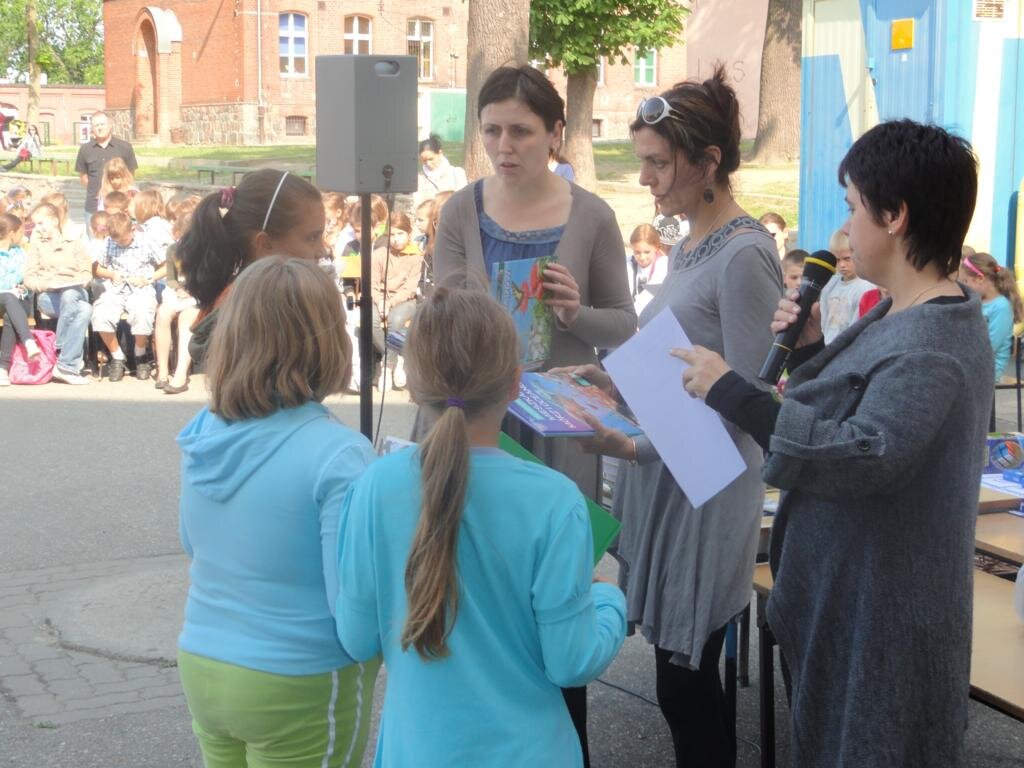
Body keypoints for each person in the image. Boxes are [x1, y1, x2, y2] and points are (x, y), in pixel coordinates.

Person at [676, 119, 990, 767]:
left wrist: (732, 392)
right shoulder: (898, 311)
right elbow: (847, 409)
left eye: (853, 208)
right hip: (849, 606)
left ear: (895, 216)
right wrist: (810, 346)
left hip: (884, 621)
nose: (844, 230)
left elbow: (862, 454)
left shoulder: (935, 342)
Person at [564, 66, 783, 767]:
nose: (646, 179)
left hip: (707, 488)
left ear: (708, 162)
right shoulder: (691, 242)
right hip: (674, 476)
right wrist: (614, 381)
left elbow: (746, 402)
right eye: (644, 161)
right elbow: (684, 364)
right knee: (681, 683)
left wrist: (633, 448)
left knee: (684, 684)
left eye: (659, 163)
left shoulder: (745, 254)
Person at [431, 67, 636, 762]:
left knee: (557, 598)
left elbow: (626, 325)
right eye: (491, 130)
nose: (503, 145)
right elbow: (442, 315)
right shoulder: (461, 210)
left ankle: (564, 747)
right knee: (479, 595)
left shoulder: (592, 215)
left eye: (520, 131)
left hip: (562, 435)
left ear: (555, 133)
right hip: (477, 427)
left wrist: (578, 313)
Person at [335, 286, 626, 768]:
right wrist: (609, 599)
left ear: (413, 385)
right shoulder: (555, 502)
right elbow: (572, 662)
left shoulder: (373, 487)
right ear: (515, 384)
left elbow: (357, 638)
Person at [177, 256, 378, 768]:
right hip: (299, 677)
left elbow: (191, 542)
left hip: (203, 659)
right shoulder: (339, 453)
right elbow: (352, 612)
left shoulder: (204, 430)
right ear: (328, 340)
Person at [176, 170, 326, 368]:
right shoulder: (262, 313)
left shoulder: (255, 298)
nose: (322, 251)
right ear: (264, 243)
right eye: (312, 237)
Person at [22, 203, 93, 384]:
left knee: (70, 294)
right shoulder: (36, 245)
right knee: (85, 310)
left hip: (76, 291)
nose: (37, 228)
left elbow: (86, 271)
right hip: (49, 295)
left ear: (54, 221)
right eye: (35, 224)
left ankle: (60, 345)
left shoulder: (74, 241)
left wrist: (81, 279)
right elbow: (29, 278)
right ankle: (66, 366)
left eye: (41, 223)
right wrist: (47, 284)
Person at [91, 211, 165, 381]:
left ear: (133, 230)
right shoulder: (109, 242)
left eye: (123, 240)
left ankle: (140, 354)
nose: (120, 243)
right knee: (100, 314)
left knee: (142, 312)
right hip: (116, 289)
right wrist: (111, 274)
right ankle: (117, 356)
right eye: (117, 241)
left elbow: (166, 266)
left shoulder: (146, 241)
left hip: (141, 287)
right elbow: (97, 269)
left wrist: (148, 279)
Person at [154, 197, 202, 394]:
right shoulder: (173, 250)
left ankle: (180, 373)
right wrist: (178, 289)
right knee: (163, 314)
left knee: (186, 320)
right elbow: (171, 278)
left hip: (196, 295)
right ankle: (163, 371)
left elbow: (207, 278)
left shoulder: (203, 251)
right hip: (176, 293)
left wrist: (191, 289)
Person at [371, 211, 422, 392]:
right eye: (392, 234)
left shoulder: (415, 256)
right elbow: (372, 283)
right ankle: (396, 358)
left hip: (404, 300)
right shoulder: (379, 254)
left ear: (409, 233)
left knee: (395, 319)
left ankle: (386, 368)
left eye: (400, 234)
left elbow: (409, 288)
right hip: (379, 299)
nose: (395, 239)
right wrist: (380, 301)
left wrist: (390, 302)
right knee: (371, 320)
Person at [959, 251, 1024, 378]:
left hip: (988, 369)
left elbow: (990, 346)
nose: (963, 287)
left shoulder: (1001, 307)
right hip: (971, 363)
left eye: (966, 281)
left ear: (980, 278)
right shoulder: (977, 301)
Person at [74, 112, 138, 223]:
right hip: (94, 207)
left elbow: (130, 175)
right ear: (92, 128)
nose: (99, 128)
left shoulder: (125, 147)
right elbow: (83, 177)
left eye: (102, 124)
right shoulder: (85, 149)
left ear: (110, 125)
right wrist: (100, 192)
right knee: (95, 234)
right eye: (96, 125)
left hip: (120, 207)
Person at [0, 213, 38, 386]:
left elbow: (27, 277)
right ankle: (28, 341)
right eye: (21, 232)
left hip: (18, 300)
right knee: (8, 296)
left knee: (10, 316)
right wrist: (14, 282)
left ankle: (2, 369)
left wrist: (23, 286)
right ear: (11, 233)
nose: (23, 236)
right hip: (3, 299)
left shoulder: (20, 253)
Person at [818, 229, 873, 343]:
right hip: (827, 345)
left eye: (847, 259)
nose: (842, 265)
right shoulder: (830, 284)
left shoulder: (865, 288)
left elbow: (857, 325)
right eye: (837, 260)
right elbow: (823, 317)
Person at [414, 134, 468, 207]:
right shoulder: (420, 178)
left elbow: (464, 201)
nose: (428, 163)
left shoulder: (457, 173)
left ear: (440, 153)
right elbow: (418, 206)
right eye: (424, 161)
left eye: (431, 159)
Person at [626, 223, 668, 315]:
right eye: (637, 252)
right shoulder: (628, 262)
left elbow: (648, 297)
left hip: (652, 314)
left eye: (647, 252)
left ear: (657, 248)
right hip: (631, 314)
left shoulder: (663, 264)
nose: (642, 257)